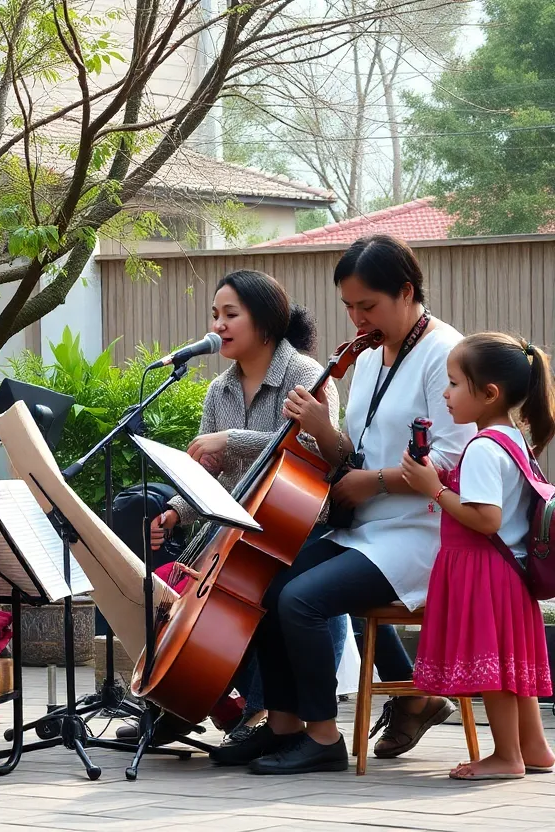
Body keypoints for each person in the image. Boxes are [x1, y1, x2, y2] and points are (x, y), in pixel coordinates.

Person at [216, 234, 476, 775]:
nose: (357, 319)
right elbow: (349, 456)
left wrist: (372, 482)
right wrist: (322, 430)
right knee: (263, 583)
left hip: (417, 533)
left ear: (407, 292)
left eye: (368, 306)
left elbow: (450, 463)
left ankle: (324, 738)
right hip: (365, 527)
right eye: (349, 307)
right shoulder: (371, 356)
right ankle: (283, 726)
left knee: (302, 602)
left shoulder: (443, 354)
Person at [141, 269, 350, 743]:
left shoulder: (306, 376)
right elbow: (209, 473)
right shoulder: (220, 390)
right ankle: (191, 701)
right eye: (215, 314)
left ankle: (265, 717)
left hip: (297, 529)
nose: (218, 325)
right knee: (172, 599)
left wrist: (231, 439)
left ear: (266, 320)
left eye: (231, 314)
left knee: (275, 600)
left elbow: (316, 453)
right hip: (236, 532)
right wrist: (176, 508)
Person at [401, 332, 555, 781]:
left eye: (452, 384)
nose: (445, 395)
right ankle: (535, 748)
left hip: (484, 571)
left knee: (495, 673)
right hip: (507, 571)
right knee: (510, 667)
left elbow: (486, 518)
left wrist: (436, 489)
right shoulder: (510, 438)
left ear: (488, 393)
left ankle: (506, 756)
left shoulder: (484, 447)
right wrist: (445, 476)